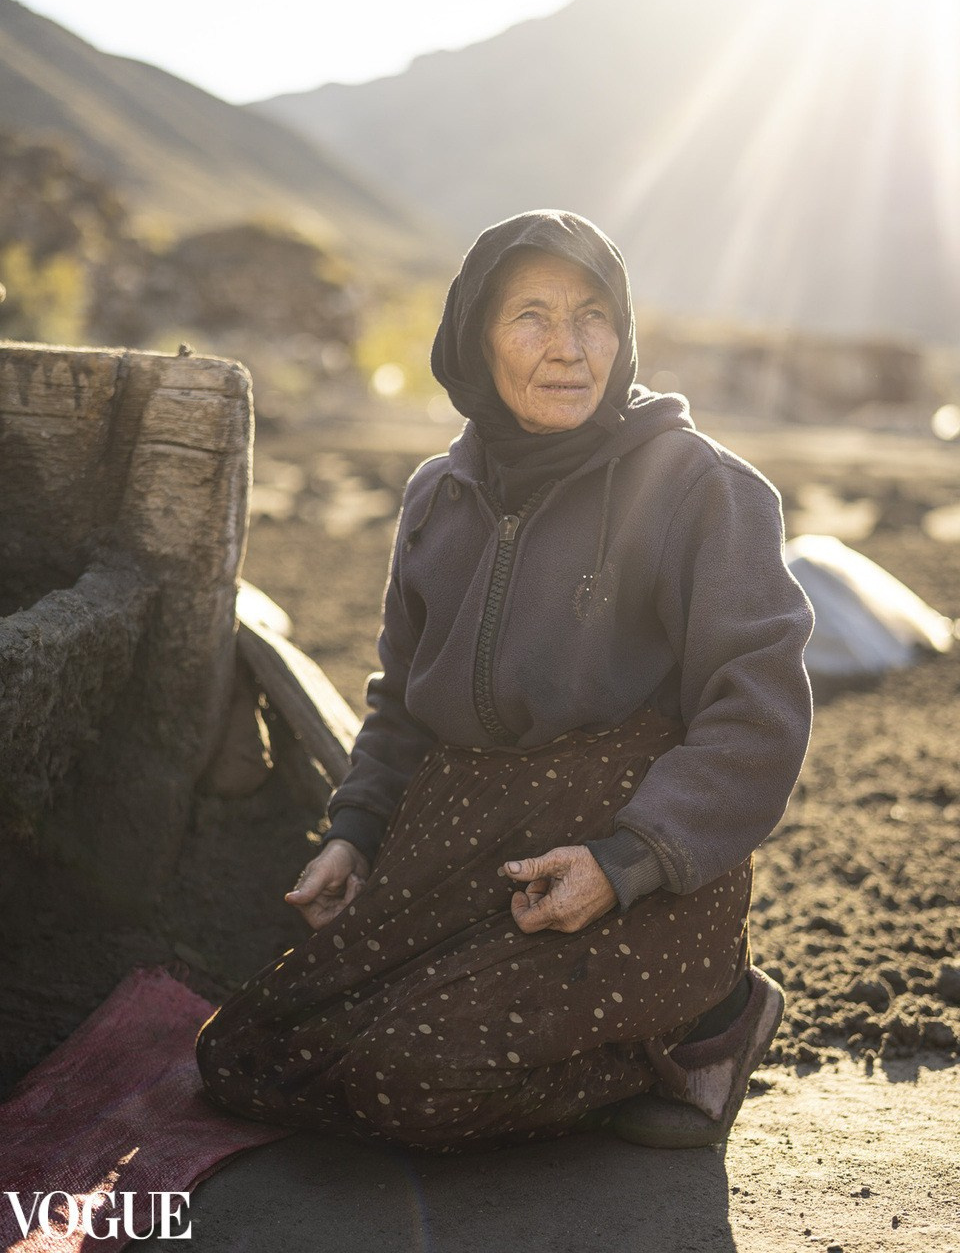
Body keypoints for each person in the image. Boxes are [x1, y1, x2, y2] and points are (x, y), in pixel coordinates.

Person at [196, 210, 813, 1151]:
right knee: (245, 1053)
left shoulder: (701, 488)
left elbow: (758, 710)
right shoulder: (439, 495)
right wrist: (356, 835)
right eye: (531, 315)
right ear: (474, 340)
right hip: (458, 844)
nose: (568, 349)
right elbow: (403, 693)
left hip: (637, 858)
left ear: (626, 331)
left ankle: (707, 1023)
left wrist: (627, 861)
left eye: (594, 315)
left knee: (411, 1083)